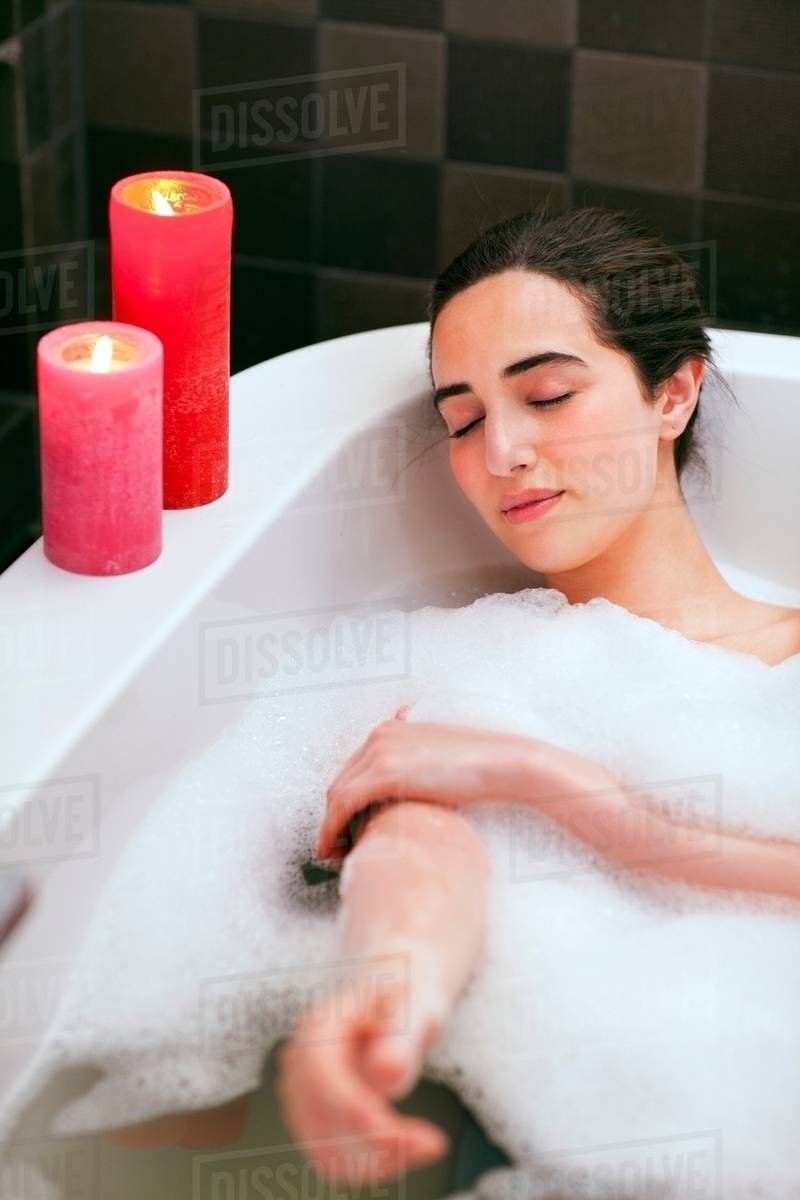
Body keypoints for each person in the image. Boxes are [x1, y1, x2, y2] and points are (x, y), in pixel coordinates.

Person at [109, 206, 800, 1184]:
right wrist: (382, 996)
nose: (501, 453)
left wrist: (564, 794)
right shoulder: (479, 660)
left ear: (672, 394)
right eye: (462, 422)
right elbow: (418, 844)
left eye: (548, 395)